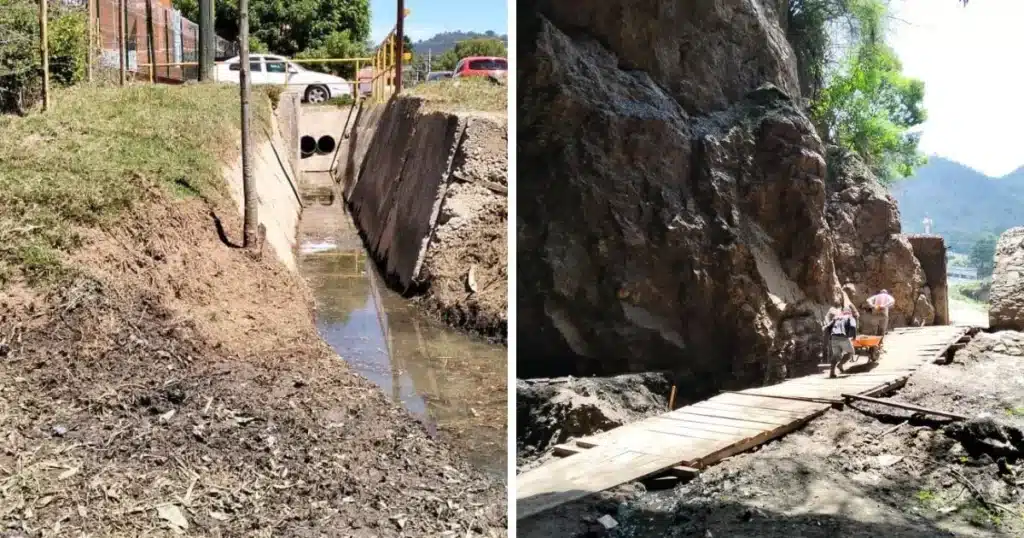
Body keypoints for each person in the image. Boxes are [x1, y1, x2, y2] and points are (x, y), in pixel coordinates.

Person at [825, 306, 857, 378]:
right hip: (843, 337)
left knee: (836, 355)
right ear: (850, 312)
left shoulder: (836, 318)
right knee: (851, 352)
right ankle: (840, 364)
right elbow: (853, 327)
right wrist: (854, 337)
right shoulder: (850, 317)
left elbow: (828, 326)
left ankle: (832, 373)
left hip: (833, 338)